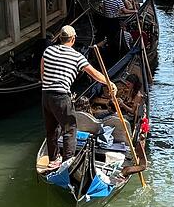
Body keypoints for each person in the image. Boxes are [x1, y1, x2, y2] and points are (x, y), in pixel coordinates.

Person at [41, 25, 117, 171]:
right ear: (73, 39)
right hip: (61, 96)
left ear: (59, 38)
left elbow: (42, 69)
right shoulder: (76, 56)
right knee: (70, 129)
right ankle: (67, 163)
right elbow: (93, 74)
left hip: (46, 95)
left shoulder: (48, 50)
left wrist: (48, 84)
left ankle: (52, 159)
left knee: (51, 128)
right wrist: (109, 83)